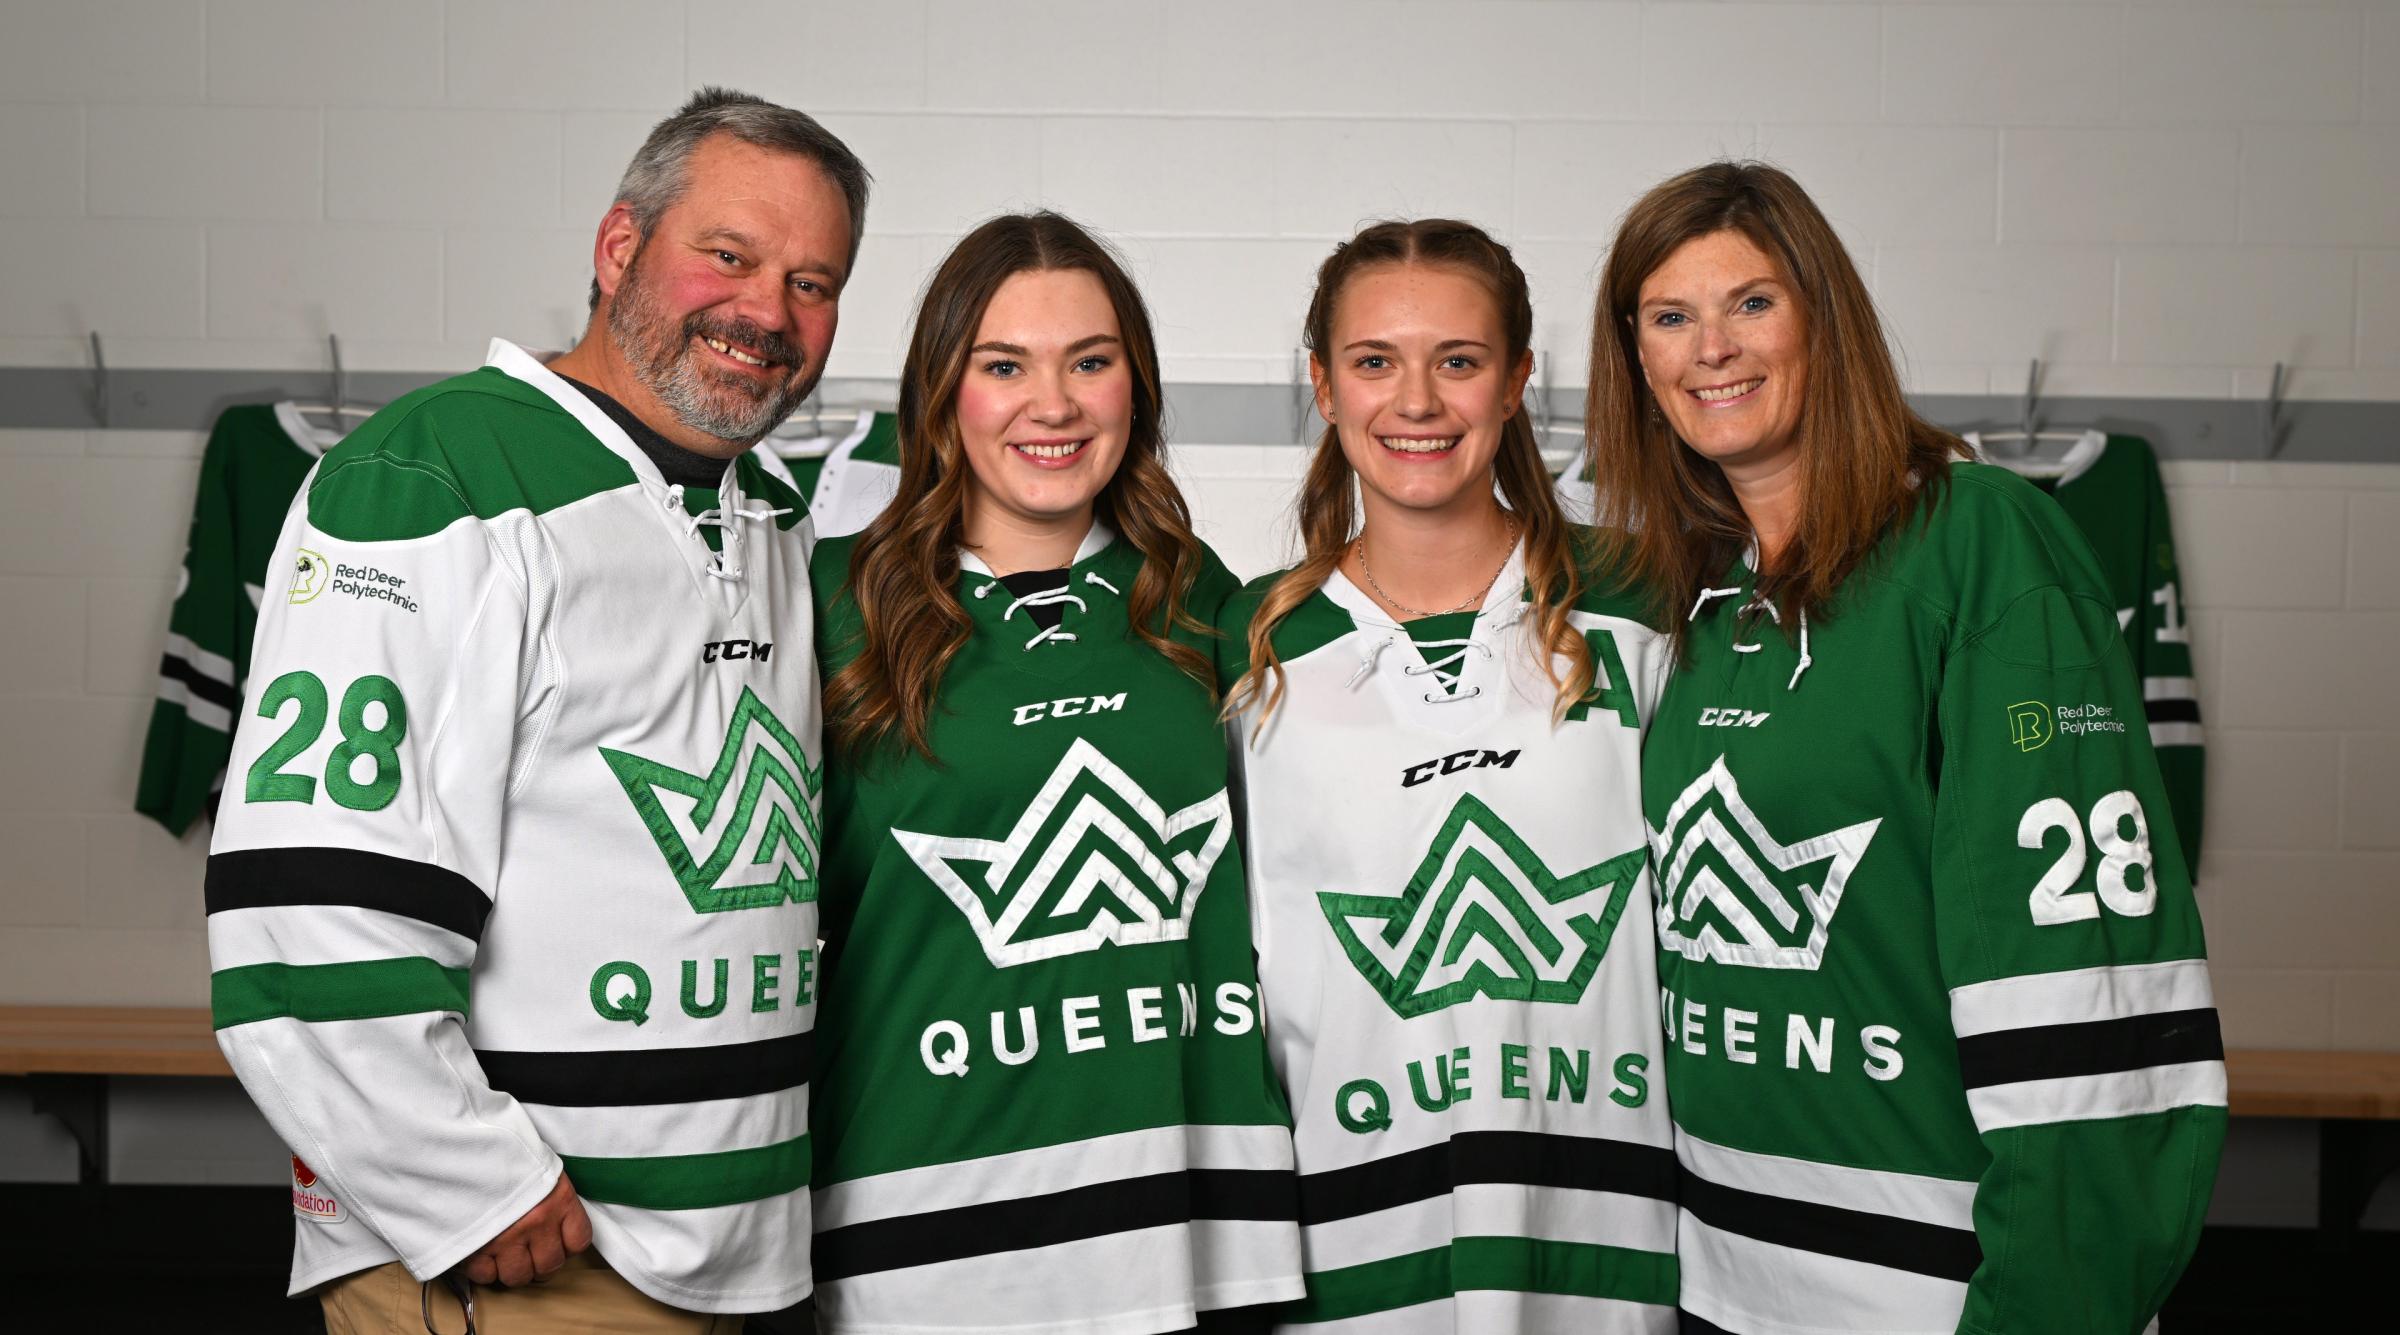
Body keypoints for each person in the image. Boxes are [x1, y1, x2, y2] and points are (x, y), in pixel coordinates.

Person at [204, 88, 868, 1332]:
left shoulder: (772, 513)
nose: (768, 312)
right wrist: (470, 1189)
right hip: (519, 1266)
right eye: (727, 255)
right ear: (620, 247)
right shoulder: (435, 474)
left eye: (814, 281)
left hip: (736, 1261)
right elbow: (302, 911)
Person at [1589, 161, 2225, 1334]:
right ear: (1637, 361)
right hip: (1716, 1280)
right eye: (1670, 318)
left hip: (1936, 1291)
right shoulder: (1692, 591)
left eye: (1753, 303)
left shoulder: (1981, 541)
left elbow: (2090, 980)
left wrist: (2056, 1308)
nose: (1712, 349)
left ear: (1824, 320)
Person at [808, 211, 1304, 1334]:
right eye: (1004, 366)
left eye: (1091, 361)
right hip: (921, 1233)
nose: (1055, 404)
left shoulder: (1204, 605)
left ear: (1137, 385)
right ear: (943, 390)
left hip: (1194, 1239)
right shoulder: (831, 602)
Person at [1218, 219, 1678, 1333]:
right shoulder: (1247, 641)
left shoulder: (1642, 600)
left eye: (1458, 361)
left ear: (1517, 379)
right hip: (1350, 1248)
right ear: (1323, 386)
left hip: (1611, 1245)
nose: (1417, 401)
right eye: (1375, 361)